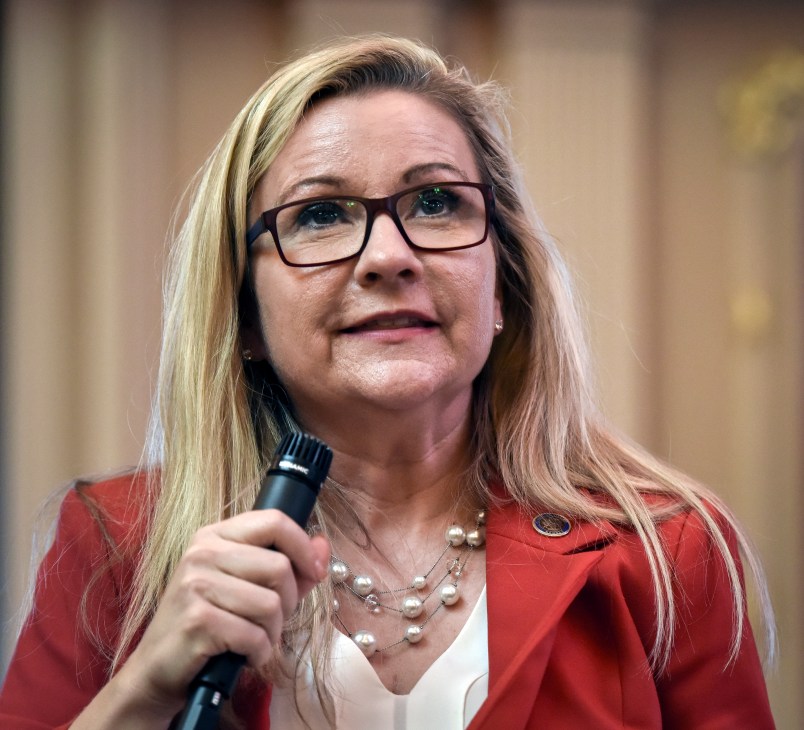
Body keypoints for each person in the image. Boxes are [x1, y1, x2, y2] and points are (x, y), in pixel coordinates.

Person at [0, 35, 776, 730]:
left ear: (500, 285)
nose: (388, 256)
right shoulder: (114, 545)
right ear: (242, 317)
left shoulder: (668, 550)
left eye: (435, 203)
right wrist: (140, 694)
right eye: (321, 216)